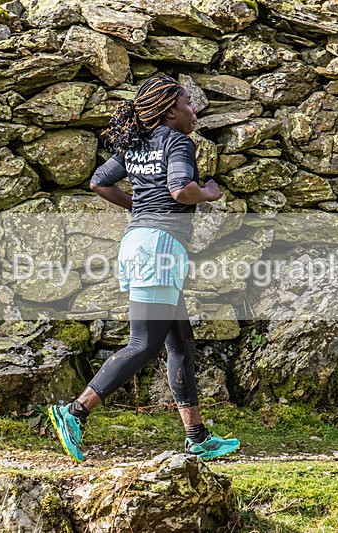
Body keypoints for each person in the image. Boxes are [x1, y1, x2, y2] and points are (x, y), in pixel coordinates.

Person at [47, 75, 240, 462]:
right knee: (143, 344)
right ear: (170, 110)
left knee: (180, 343)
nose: (194, 110)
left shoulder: (136, 145)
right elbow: (181, 190)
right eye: (188, 103)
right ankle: (75, 413)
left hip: (140, 244)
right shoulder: (178, 142)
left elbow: (100, 182)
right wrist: (208, 194)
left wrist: (138, 207)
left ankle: (197, 437)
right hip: (160, 249)